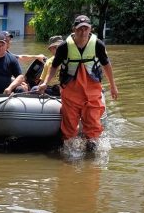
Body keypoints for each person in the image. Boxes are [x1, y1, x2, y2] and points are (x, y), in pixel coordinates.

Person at [37, 15, 118, 147]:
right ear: (74, 29)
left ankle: (92, 144)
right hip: (70, 88)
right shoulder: (64, 47)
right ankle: (69, 145)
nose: (83, 32)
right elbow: (54, 66)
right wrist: (45, 82)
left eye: (86, 28)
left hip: (92, 87)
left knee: (93, 118)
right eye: (80, 29)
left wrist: (113, 86)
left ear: (90, 29)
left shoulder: (98, 45)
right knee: (69, 120)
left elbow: (106, 65)